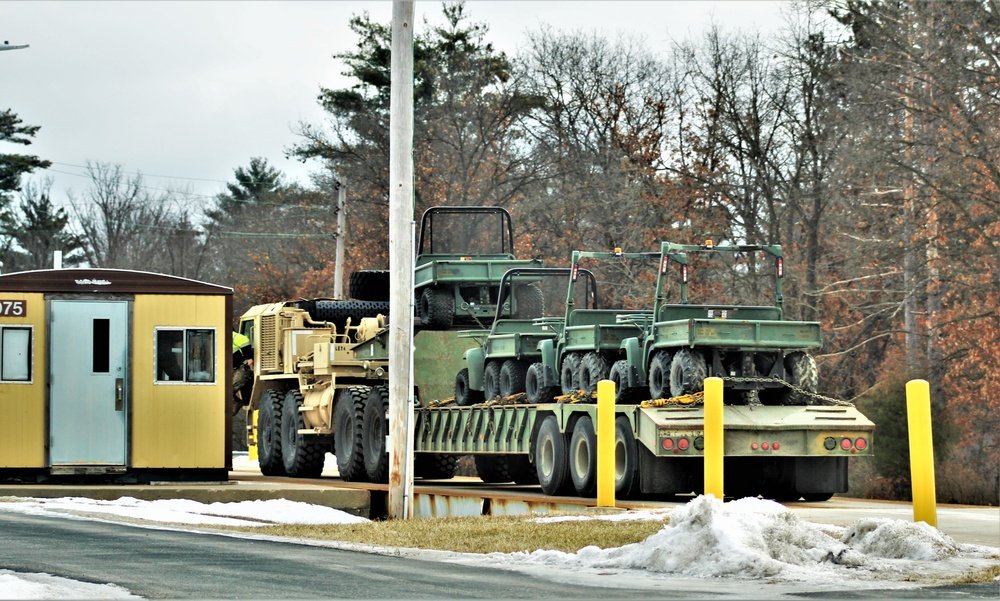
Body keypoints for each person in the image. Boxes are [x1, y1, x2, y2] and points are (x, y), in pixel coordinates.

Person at [231, 331, 253, 416]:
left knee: (230, 389)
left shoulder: (234, 336)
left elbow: (244, 342)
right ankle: (239, 402)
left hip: (244, 367)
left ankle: (238, 403)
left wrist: (249, 358)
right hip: (238, 368)